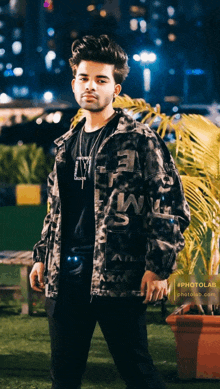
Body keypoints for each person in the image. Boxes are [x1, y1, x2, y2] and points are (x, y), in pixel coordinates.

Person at [30, 34, 190, 389]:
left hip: (119, 278)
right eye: (84, 77)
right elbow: (55, 210)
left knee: (138, 371)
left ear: (115, 89)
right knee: (64, 376)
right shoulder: (65, 145)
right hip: (65, 279)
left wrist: (158, 268)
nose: (91, 86)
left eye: (101, 80)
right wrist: (42, 257)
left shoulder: (139, 139)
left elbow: (169, 206)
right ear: (74, 83)